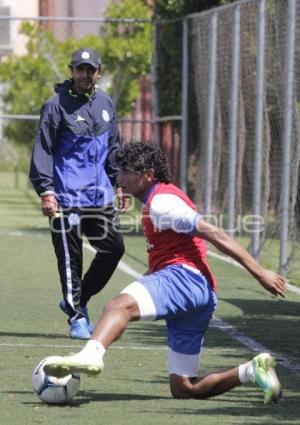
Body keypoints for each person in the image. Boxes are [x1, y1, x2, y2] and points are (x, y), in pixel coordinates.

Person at [43, 142, 285, 404]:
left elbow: (213, 232)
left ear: (147, 175)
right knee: (184, 387)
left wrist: (260, 273)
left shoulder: (162, 203)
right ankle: (252, 371)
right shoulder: (155, 201)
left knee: (117, 306)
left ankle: (91, 354)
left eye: (125, 171)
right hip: (199, 292)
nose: (119, 177)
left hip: (184, 279)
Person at [29, 48, 125, 340]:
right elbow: (43, 149)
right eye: (79, 69)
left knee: (114, 249)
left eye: (89, 70)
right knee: (71, 259)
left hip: (100, 198)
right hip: (66, 199)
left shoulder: (106, 103)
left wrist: (118, 182)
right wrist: (46, 191)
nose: (84, 75)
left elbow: (113, 148)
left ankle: (78, 300)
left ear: (99, 72)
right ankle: (76, 317)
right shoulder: (55, 106)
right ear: (72, 71)